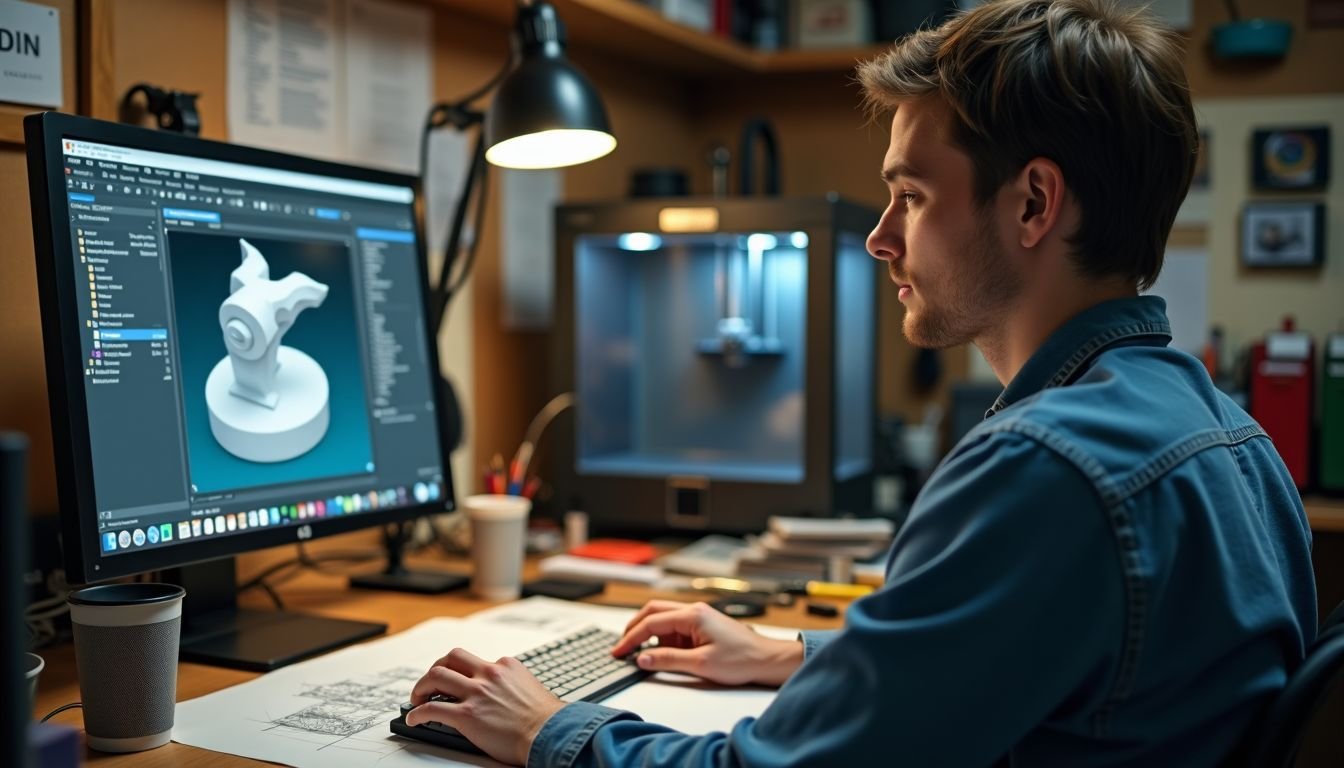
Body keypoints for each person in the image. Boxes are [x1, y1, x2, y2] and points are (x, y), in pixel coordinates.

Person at [405, 0, 1318, 764]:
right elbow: (1028, 663)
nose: (881, 238)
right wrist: (794, 653)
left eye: (912, 197)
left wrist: (549, 729)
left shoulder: (1046, 467)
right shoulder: (1232, 436)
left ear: (1033, 203)